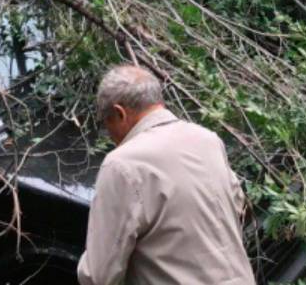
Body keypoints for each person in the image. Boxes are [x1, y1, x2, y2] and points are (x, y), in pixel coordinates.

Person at [77, 65, 256, 285]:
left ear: (119, 113)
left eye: (107, 123)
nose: (110, 135)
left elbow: (99, 276)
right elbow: (238, 205)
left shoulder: (122, 165)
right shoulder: (207, 139)